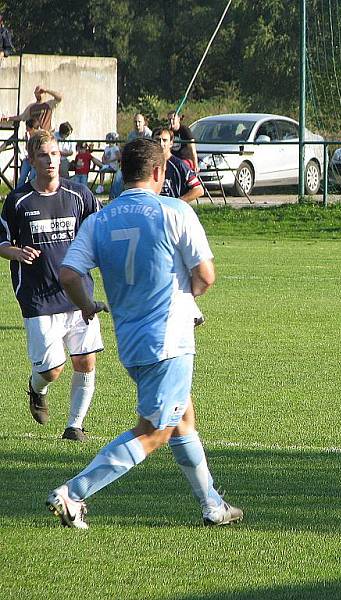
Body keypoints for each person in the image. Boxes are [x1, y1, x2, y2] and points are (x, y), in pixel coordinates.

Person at [47, 137, 243, 529]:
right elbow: (206, 276)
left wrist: (87, 305)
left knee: (182, 417)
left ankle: (212, 505)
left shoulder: (99, 219)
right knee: (155, 431)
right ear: (158, 172)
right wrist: (190, 295)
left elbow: (69, 273)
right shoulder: (174, 211)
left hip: (132, 342)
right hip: (169, 340)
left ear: (123, 172)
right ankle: (73, 493)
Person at [0, 129, 102, 442]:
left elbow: (99, 229)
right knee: (52, 369)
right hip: (38, 296)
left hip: (77, 292)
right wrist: (16, 251)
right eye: (43, 155)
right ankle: (36, 387)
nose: (50, 160)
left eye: (55, 154)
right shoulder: (18, 201)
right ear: (31, 159)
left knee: (85, 360)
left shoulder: (78, 195)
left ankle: (75, 426)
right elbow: (2, 241)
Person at [154, 127, 203, 203]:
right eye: (157, 140)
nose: (160, 143)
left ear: (171, 143)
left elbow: (198, 189)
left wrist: (178, 202)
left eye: (164, 140)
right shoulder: (147, 164)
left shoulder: (179, 165)